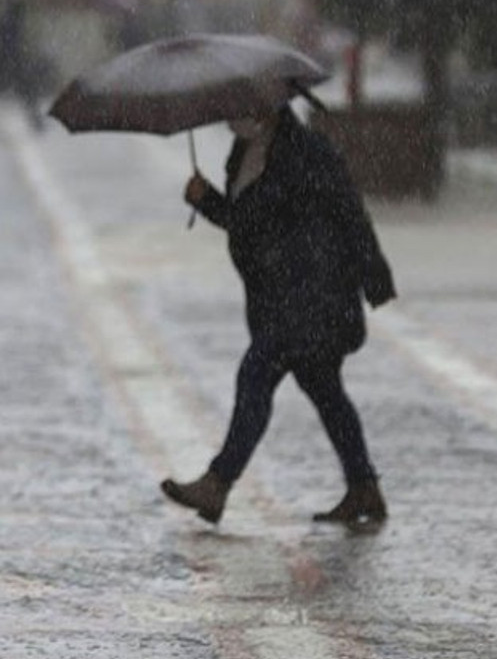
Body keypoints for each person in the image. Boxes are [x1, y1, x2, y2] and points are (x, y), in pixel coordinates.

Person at [162, 102, 396, 527]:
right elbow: (248, 222)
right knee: (324, 389)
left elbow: (333, 213)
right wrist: (209, 201)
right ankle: (364, 487)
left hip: (313, 293)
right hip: (285, 297)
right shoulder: (246, 149)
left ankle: (217, 484)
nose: (232, 113)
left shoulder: (303, 151)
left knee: (256, 374)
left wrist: (373, 276)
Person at [0, 0, 45, 132]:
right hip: (12, 64)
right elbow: (14, 46)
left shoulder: (2, 24)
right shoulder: (13, 26)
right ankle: (36, 120)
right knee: (26, 92)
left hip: (4, 64)